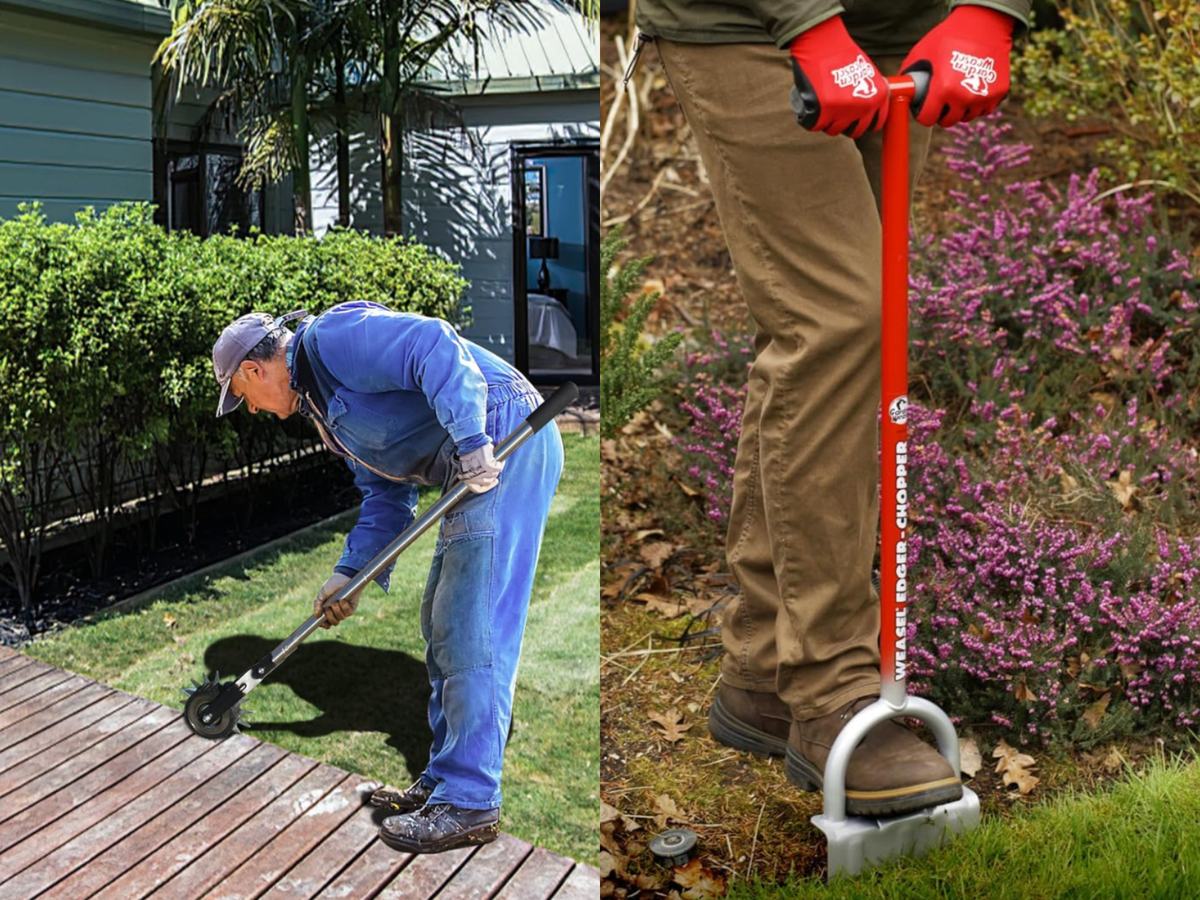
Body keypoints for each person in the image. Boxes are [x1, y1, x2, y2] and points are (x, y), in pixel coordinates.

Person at [629, 0, 1030, 815]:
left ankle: (761, 671)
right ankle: (828, 687)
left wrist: (991, 11)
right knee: (840, 318)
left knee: (837, 341)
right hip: (748, 23)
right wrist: (808, 22)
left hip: (902, 31)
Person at [210, 301, 564, 852]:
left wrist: (472, 443)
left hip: (502, 439)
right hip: (466, 463)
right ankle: (445, 781)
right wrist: (347, 573)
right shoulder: (324, 408)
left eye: (241, 394)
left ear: (253, 370)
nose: (250, 408)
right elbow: (386, 494)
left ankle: (470, 801)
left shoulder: (330, 341)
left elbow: (434, 345)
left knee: (473, 623)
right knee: (443, 621)